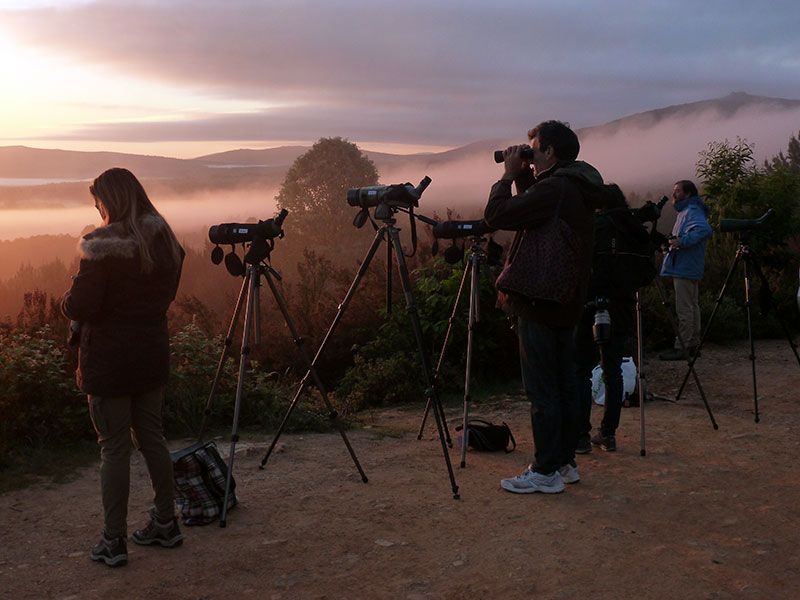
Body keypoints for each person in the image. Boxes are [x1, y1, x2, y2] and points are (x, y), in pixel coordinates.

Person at [61, 167, 185, 567]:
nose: (95, 208)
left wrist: (67, 299)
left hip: (109, 361)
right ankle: (166, 522)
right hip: (150, 352)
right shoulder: (164, 237)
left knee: (114, 449)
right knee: (152, 437)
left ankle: (113, 542)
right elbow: (168, 291)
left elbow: (80, 307)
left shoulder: (99, 246)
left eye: (97, 201)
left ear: (108, 200)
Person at [484, 120, 605, 494]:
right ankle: (565, 462)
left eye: (534, 148)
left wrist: (506, 177)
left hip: (540, 298)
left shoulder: (556, 188)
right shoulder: (576, 185)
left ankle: (545, 470)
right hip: (565, 299)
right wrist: (525, 175)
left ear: (550, 151)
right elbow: (534, 212)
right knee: (564, 384)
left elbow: (499, 215)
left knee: (543, 390)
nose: (529, 153)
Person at [574, 185, 646, 453]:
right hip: (624, 306)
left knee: (580, 369)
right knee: (612, 369)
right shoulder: (634, 227)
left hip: (592, 304)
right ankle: (608, 434)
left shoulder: (597, 225)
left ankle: (581, 436)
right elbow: (647, 270)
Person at [658, 180, 713, 360]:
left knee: (684, 308)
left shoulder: (692, 211)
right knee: (692, 306)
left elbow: (704, 230)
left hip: (685, 266)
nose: (674, 194)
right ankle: (693, 345)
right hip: (689, 265)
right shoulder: (687, 210)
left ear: (688, 194)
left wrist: (681, 242)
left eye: (677, 191)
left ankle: (682, 347)